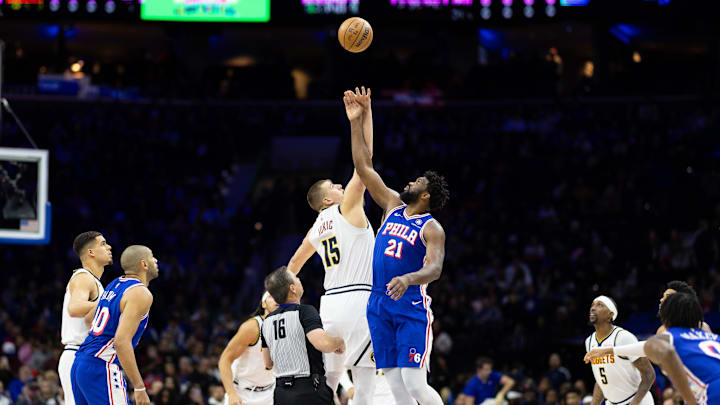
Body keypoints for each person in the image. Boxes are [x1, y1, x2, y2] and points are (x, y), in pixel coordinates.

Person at [344, 88, 450, 405]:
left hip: (410, 307)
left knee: (415, 384)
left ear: (427, 194)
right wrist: (356, 120)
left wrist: (408, 278)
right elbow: (364, 167)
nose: (408, 183)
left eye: (416, 183)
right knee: (393, 382)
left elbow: (435, 268)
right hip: (379, 302)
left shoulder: (432, 227)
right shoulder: (392, 205)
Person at [287, 86, 376, 404]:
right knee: (365, 378)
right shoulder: (347, 206)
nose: (341, 185)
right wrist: (363, 115)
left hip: (330, 305)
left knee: (332, 378)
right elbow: (364, 163)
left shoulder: (315, 227)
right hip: (359, 300)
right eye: (334, 186)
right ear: (327, 199)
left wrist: (290, 304)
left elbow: (293, 266)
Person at [584, 292, 717, 405]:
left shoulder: (670, 336)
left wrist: (691, 401)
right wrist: (609, 351)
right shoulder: (712, 337)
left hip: (712, 391)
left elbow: (660, 350)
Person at [71, 245, 160, 405]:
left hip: (81, 362)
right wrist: (139, 387)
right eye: (152, 256)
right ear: (144, 265)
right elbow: (121, 342)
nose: (156, 260)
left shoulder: (115, 284)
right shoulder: (141, 293)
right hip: (101, 366)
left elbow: (89, 318)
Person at [261, 267, 345, 405]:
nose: (300, 280)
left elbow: (268, 363)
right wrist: (338, 342)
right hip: (309, 391)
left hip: (281, 394)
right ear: (293, 288)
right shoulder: (305, 311)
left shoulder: (266, 322)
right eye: (297, 278)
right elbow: (323, 344)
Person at [59, 231, 111, 405]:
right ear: (91, 252)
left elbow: (89, 320)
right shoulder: (83, 277)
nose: (109, 247)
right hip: (76, 354)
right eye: (103, 244)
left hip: (87, 356)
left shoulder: (95, 282)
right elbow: (74, 308)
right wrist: (109, 306)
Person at [585, 296, 655, 405]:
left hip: (637, 401)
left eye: (599, 305)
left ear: (610, 315)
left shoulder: (623, 337)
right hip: (611, 402)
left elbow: (649, 374)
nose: (593, 308)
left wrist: (635, 403)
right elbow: (601, 381)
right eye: (592, 305)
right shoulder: (589, 341)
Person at [218, 291, 279, 405]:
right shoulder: (252, 327)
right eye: (272, 297)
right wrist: (231, 393)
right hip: (241, 394)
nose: (277, 300)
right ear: (263, 304)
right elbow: (225, 360)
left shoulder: (286, 328)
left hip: (269, 394)